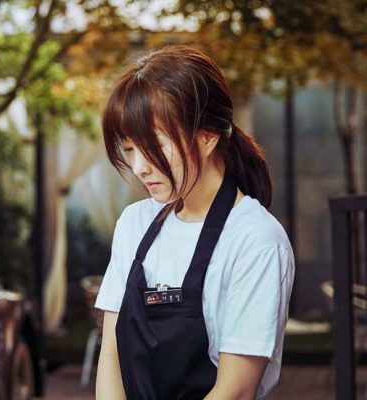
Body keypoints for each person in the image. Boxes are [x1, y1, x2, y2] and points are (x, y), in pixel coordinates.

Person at [93, 45, 295, 399]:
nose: (139, 167)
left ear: (207, 136)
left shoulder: (255, 239)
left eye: (153, 145)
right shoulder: (134, 224)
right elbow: (111, 355)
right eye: (130, 148)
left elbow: (235, 391)